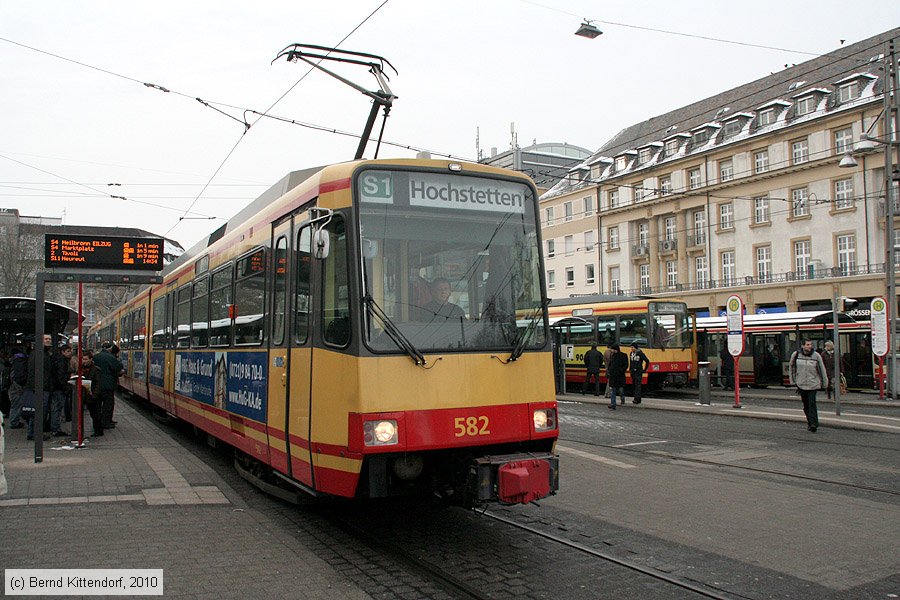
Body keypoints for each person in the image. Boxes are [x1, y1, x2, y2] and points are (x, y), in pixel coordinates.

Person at [789, 339, 828, 433]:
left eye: (810, 344)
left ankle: (814, 424)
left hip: (813, 384)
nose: (809, 346)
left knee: (812, 404)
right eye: (807, 344)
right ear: (802, 346)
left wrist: (825, 383)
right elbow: (792, 368)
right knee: (806, 404)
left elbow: (822, 369)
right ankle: (810, 422)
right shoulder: (796, 355)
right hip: (801, 383)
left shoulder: (816, 356)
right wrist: (793, 381)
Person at [23, 335, 55, 441]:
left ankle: (32, 432)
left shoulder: (38, 353)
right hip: (40, 387)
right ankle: (35, 433)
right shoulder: (40, 354)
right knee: (39, 412)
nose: (48, 340)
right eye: (46, 339)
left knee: (35, 411)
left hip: (38, 386)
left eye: (49, 339)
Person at [93, 343, 124, 430]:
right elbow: (118, 367)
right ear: (109, 348)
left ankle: (98, 422)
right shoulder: (110, 357)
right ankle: (106, 422)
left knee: (97, 405)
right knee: (108, 405)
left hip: (96, 384)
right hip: (108, 384)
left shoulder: (96, 356)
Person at [78, 350, 103, 437]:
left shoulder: (96, 370)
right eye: (83, 359)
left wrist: (95, 395)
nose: (84, 361)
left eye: (86, 359)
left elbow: (98, 383)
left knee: (95, 414)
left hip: (92, 395)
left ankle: (98, 431)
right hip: (83, 395)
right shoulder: (80, 369)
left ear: (91, 359)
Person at [49, 344, 73, 436]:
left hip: (56, 387)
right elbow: (60, 376)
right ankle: (55, 429)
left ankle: (55, 427)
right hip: (59, 388)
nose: (70, 353)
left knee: (56, 408)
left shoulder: (59, 360)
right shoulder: (61, 362)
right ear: (63, 352)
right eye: (68, 351)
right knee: (57, 408)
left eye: (70, 351)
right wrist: (65, 387)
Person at [7, 345, 29, 429]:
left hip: (13, 385)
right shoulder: (22, 361)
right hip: (18, 385)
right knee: (17, 404)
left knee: (15, 404)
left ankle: (14, 421)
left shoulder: (14, 361)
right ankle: (14, 422)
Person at [606, 344, 628, 410]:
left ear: (615, 349)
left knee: (620, 390)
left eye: (612, 349)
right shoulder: (612, 356)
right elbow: (610, 364)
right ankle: (613, 404)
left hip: (620, 375)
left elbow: (626, 365)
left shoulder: (623, 355)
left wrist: (621, 371)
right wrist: (609, 370)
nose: (611, 350)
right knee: (613, 390)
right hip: (613, 376)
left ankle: (622, 398)